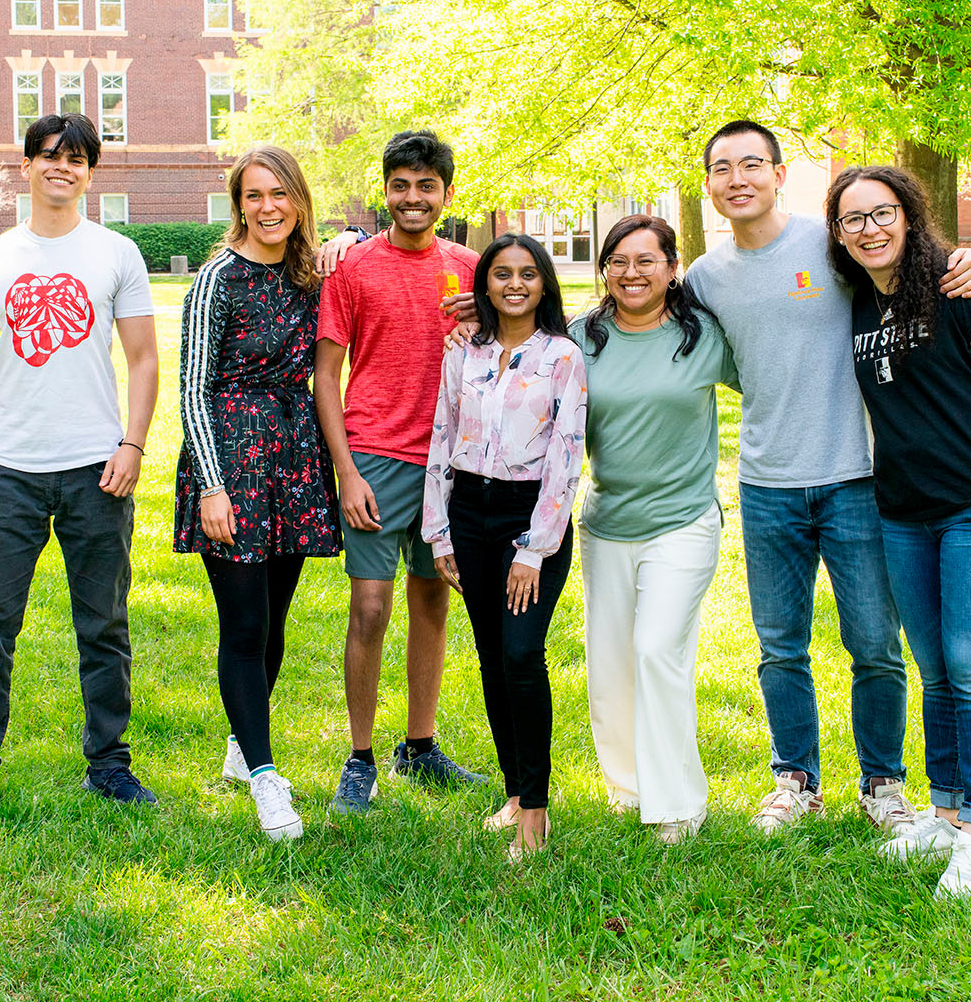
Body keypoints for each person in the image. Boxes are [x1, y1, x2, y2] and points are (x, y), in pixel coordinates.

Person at [683, 119, 971, 839]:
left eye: (752, 164)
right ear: (709, 185)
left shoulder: (831, 248)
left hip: (858, 478)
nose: (739, 179)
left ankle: (883, 784)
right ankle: (795, 780)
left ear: (780, 174)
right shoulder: (703, 277)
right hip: (766, 483)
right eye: (723, 168)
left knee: (876, 644)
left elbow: (916, 263)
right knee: (779, 644)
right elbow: (638, 316)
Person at [0, 113, 159, 815]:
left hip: (97, 468)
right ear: (25, 166)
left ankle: (110, 765)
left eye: (77, 158)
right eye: (50, 156)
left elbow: (143, 359)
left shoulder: (117, 253)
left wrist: (133, 446)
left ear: (91, 172)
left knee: (104, 626)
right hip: (9, 472)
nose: (63, 167)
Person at [826, 165, 971, 897]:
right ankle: (944, 815)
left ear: (909, 216)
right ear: (839, 234)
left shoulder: (955, 278)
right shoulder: (855, 297)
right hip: (902, 511)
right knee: (937, 670)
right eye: (852, 220)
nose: (869, 230)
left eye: (882, 213)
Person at [313, 130, 488, 813]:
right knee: (370, 605)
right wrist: (346, 472)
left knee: (433, 599)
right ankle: (359, 758)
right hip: (376, 455)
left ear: (446, 194)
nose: (412, 198)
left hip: (451, 460)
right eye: (400, 185)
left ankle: (420, 745)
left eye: (426, 186)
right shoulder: (353, 268)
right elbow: (326, 376)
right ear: (384, 191)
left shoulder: (472, 267)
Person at [173, 145, 343, 841]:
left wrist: (352, 239)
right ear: (238, 203)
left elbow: (363, 255)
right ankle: (267, 780)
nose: (268, 207)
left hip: (295, 456)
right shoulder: (218, 279)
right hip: (233, 457)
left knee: (274, 621)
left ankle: (245, 751)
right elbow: (192, 386)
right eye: (253, 196)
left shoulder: (311, 274)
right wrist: (212, 486)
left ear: (298, 199)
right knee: (243, 626)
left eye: (280, 194)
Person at [575, 215, 741, 845]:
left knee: (655, 650)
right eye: (618, 260)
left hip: (684, 523)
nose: (632, 272)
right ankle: (628, 787)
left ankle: (677, 803)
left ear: (674, 270)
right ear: (604, 271)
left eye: (647, 261)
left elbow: (772, 374)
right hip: (607, 523)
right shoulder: (580, 339)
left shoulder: (703, 337)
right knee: (612, 664)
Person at [422, 234, 586, 860]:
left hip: (529, 516)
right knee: (492, 656)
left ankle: (536, 811)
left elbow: (567, 459)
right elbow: (442, 437)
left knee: (521, 653)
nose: (514, 284)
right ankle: (515, 791)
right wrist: (438, 532)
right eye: (501, 274)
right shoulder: (463, 351)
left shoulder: (563, 357)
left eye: (527, 274)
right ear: (484, 284)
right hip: (468, 511)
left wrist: (532, 549)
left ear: (544, 283)